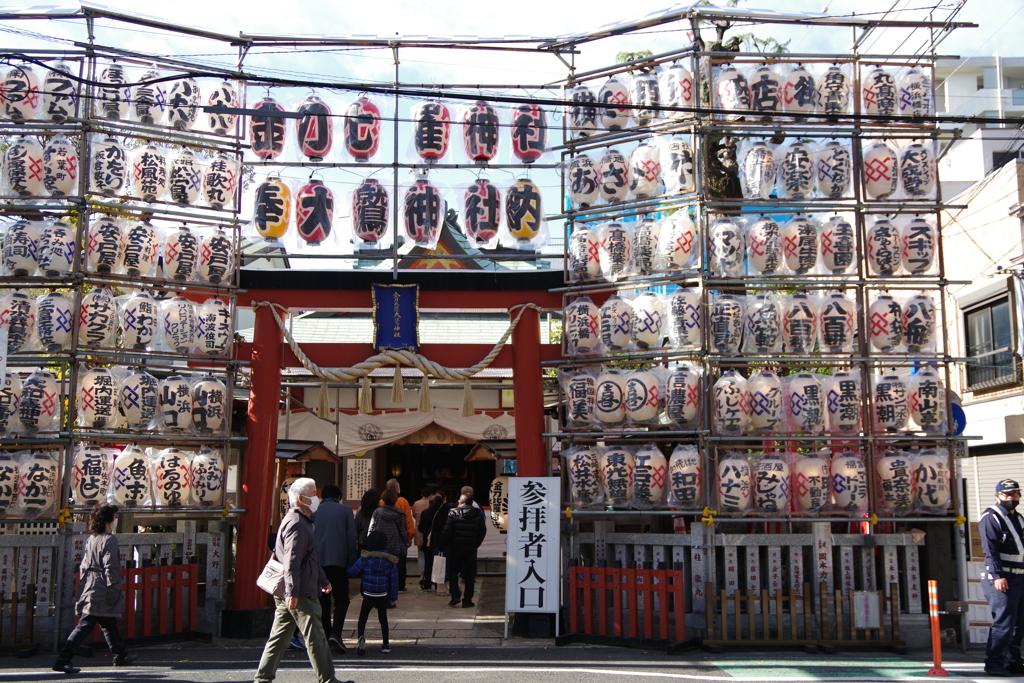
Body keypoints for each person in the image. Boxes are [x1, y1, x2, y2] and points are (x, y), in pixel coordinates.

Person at [254, 478, 351, 683]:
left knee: (279, 638)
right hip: (301, 591)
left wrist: (322, 579)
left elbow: (309, 557)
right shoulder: (298, 524)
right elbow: (292, 561)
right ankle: (328, 679)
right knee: (316, 637)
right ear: (301, 499)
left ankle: (262, 678)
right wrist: (293, 591)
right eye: (313, 494)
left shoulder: (297, 520)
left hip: (292, 589)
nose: (316, 498)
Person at [53, 503, 137, 675]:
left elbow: (84, 564)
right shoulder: (109, 539)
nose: (115, 519)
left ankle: (120, 655)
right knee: (86, 624)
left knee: (108, 623)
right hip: (102, 586)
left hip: (91, 583)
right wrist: (114, 587)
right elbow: (111, 566)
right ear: (109, 519)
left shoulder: (92, 538)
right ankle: (63, 660)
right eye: (114, 516)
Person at [981, 479, 1024, 676]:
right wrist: (997, 575)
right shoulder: (991, 517)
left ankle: (1012, 661)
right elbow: (990, 550)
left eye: (1014, 494)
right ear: (997, 496)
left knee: (1019, 623)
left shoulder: (1018, 518)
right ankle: (994, 663)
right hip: (1003, 576)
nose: (1011, 497)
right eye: (1006, 494)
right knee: (1004, 622)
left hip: (1020, 576)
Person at [313, 483, 357, 655]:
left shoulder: (314, 512)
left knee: (323, 601)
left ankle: (327, 634)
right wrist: (351, 560)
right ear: (339, 497)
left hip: (318, 563)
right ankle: (336, 634)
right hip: (338, 562)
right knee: (342, 599)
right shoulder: (345, 511)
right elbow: (351, 537)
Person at [347, 530, 398, 655]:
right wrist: (393, 597)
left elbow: (353, 572)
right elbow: (393, 580)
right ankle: (385, 644)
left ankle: (361, 637)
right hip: (382, 594)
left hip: (368, 593)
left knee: (363, 617)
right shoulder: (389, 561)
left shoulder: (365, 558)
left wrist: (345, 567)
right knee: (383, 618)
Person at [440, 492, 487, 608]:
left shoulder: (453, 513)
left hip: (456, 547)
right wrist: (476, 543)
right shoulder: (478, 514)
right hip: (470, 548)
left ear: (460, 502)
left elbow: (447, 531)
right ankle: (467, 600)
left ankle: (455, 596)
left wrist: (443, 545)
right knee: (470, 574)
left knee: (453, 572)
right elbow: (482, 531)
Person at [368, 487, 407, 607]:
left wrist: (370, 543)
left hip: (379, 546)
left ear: (383, 499)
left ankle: (378, 598)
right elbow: (403, 532)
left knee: (379, 573)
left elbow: (371, 529)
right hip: (395, 546)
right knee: (393, 575)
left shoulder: (377, 512)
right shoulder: (399, 514)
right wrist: (404, 545)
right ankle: (390, 599)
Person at [380, 479, 414, 592]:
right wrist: (409, 536)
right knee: (400, 563)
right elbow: (408, 521)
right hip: (399, 538)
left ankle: (386, 584)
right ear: (395, 488)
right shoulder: (402, 502)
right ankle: (400, 585)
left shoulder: (381, 502)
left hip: (384, 538)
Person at [428, 490, 455, 595]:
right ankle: (449, 585)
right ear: (445, 498)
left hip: (435, 540)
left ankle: (439, 588)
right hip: (447, 539)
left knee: (437, 563)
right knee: (447, 563)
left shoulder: (431, 509)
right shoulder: (449, 508)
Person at [411, 487, 432, 590]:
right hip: (430, 532)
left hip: (419, 531)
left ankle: (422, 575)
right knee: (430, 555)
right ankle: (429, 575)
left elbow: (414, 515)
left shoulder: (416, 503)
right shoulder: (432, 502)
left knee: (421, 555)